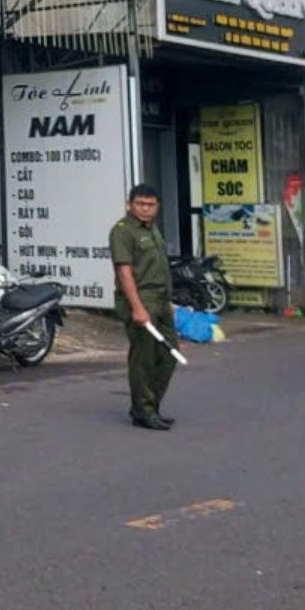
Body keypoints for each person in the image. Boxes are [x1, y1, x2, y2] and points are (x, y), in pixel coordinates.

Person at [110, 184, 178, 431]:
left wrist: (168, 302)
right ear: (129, 204)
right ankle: (143, 411)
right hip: (141, 298)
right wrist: (137, 308)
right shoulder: (123, 231)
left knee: (169, 353)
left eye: (150, 205)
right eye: (140, 204)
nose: (146, 209)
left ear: (157, 207)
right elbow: (124, 272)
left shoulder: (152, 229)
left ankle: (149, 406)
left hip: (160, 299)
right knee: (144, 357)